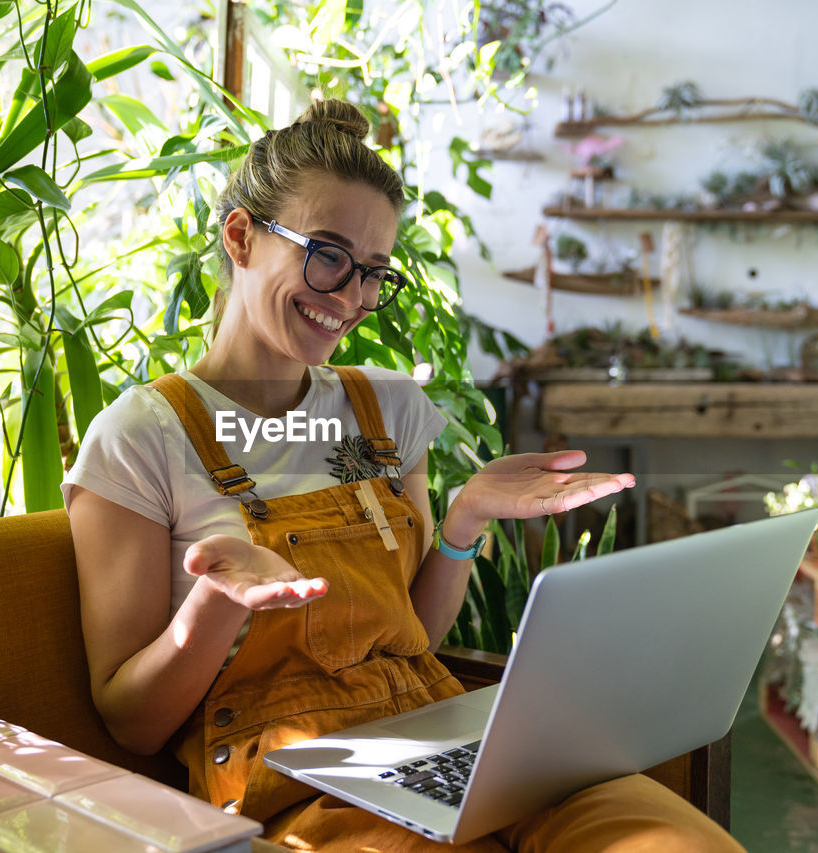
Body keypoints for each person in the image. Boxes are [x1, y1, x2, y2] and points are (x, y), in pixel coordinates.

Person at [63, 99, 743, 852]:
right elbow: (131, 720)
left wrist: (464, 524)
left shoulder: (387, 407)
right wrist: (218, 604)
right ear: (242, 237)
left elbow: (413, 633)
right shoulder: (141, 435)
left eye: (372, 273)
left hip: (440, 736)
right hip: (297, 781)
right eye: (326, 254)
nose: (350, 298)